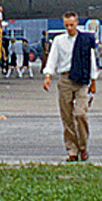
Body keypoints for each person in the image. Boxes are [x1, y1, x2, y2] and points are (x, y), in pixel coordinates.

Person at [42, 12, 97, 161]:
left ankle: (83, 146)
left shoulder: (84, 39)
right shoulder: (59, 40)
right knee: (67, 117)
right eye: (66, 25)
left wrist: (93, 81)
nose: (69, 28)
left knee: (80, 114)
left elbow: (90, 60)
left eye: (71, 25)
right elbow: (52, 58)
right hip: (65, 79)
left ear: (77, 23)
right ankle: (72, 150)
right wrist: (48, 76)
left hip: (81, 79)